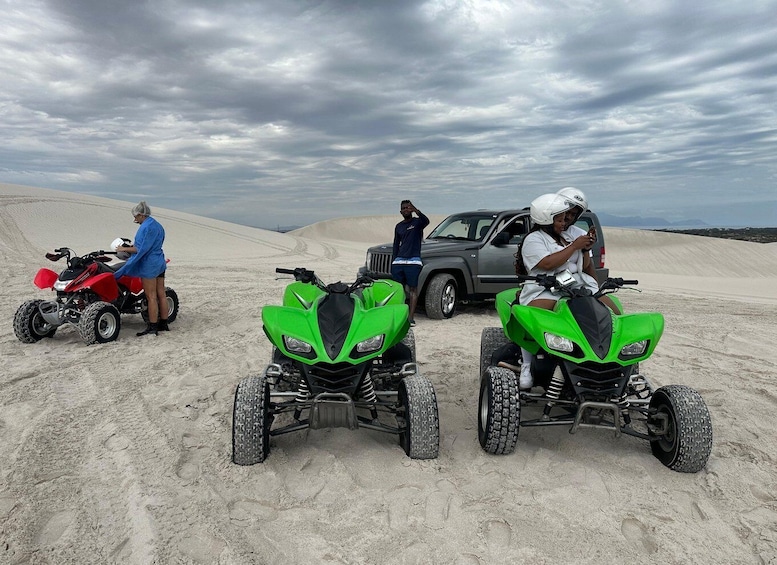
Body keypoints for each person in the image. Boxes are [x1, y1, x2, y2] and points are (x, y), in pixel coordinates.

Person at [517, 193, 600, 390]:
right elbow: (547, 263)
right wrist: (575, 246)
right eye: (561, 219)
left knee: (608, 310)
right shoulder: (534, 239)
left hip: (573, 286)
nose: (565, 222)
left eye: (567, 218)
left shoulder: (565, 236)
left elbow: (583, 265)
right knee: (534, 319)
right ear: (547, 219)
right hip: (544, 287)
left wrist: (585, 249)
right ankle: (527, 364)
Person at [557, 186, 620, 314]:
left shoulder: (579, 233)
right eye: (566, 212)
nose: (568, 217)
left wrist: (585, 250)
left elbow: (587, 266)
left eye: (573, 214)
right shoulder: (545, 233)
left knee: (614, 313)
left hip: (577, 282)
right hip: (553, 283)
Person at [113, 201, 170, 336]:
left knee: (151, 296)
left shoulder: (146, 227)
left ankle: (152, 327)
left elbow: (141, 249)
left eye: (136, 217)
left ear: (141, 215)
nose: (135, 220)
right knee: (161, 294)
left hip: (149, 264)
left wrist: (123, 248)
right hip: (159, 261)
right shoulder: (157, 225)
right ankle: (164, 323)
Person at [391, 200, 429, 326]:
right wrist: (394, 261)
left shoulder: (417, 223)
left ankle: (410, 318)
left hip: (414, 261)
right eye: (403, 208)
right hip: (399, 261)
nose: (406, 210)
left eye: (408, 207)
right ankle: (399, 317)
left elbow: (426, 221)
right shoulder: (399, 226)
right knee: (399, 289)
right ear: (400, 211)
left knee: (413, 289)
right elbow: (396, 245)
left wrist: (416, 210)